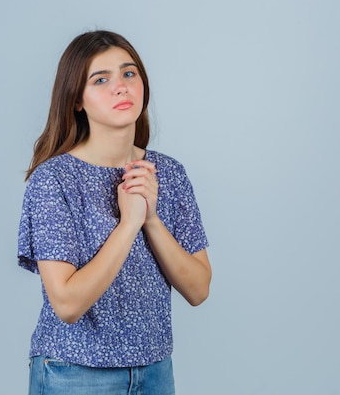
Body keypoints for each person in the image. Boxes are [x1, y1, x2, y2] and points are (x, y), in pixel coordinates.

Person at [17, 30, 211, 395]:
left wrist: (151, 219)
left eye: (128, 73)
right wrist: (129, 223)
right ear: (77, 99)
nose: (120, 87)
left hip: (154, 371)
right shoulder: (54, 180)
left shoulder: (168, 174)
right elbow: (67, 304)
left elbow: (199, 288)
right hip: (74, 372)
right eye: (100, 79)